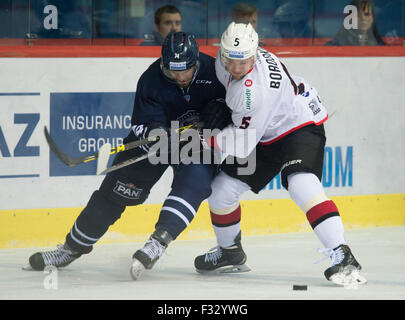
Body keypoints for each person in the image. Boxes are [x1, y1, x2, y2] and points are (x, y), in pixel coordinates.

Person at [26, 32, 231, 281]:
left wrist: (221, 113)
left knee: (195, 182)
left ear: (196, 62)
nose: (179, 77)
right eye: (172, 71)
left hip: (196, 140)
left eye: (184, 71)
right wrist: (157, 138)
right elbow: (143, 127)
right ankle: (71, 249)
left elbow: (235, 103)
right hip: (159, 141)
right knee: (114, 193)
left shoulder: (216, 71)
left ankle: (158, 243)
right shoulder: (151, 79)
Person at [193, 22, 367, 286]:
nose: (237, 68)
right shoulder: (228, 59)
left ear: (255, 53)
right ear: (222, 51)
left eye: (245, 62)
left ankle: (342, 254)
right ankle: (230, 252)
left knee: (300, 184)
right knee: (220, 191)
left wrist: (206, 138)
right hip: (264, 131)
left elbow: (241, 144)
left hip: (298, 125)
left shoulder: (254, 92)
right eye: (232, 60)